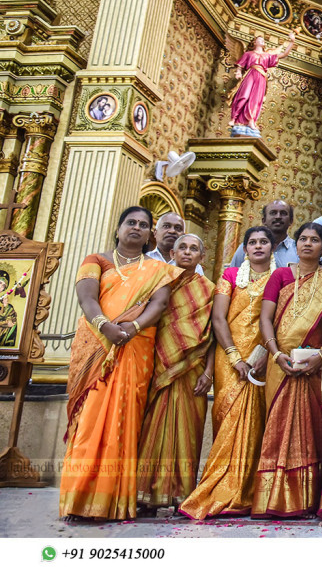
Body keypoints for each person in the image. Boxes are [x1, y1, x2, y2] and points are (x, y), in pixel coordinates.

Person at [60, 206, 178, 520]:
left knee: (125, 419)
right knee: (89, 422)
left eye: (143, 225)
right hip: (97, 345)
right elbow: (87, 298)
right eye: (131, 223)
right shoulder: (97, 260)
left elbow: (160, 303)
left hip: (136, 346)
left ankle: (113, 502)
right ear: (118, 228)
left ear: (150, 233)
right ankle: (79, 500)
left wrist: (133, 328)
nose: (136, 228)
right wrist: (106, 327)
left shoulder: (158, 269)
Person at [179, 227, 277, 520]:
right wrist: (235, 357)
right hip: (229, 356)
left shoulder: (281, 277)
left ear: (272, 248)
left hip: (262, 358)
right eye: (252, 242)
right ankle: (217, 488)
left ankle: (246, 492)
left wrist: (262, 355)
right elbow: (219, 318)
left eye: (264, 242)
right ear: (245, 249)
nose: (258, 246)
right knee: (228, 421)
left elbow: (277, 318)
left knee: (256, 423)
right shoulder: (231, 276)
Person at [253, 222, 322, 518]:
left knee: (312, 429)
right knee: (277, 427)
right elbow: (266, 318)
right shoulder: (281, 275)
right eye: (303, 239)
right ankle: (269, 499)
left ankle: (308, 498)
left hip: (315, 365)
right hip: (280, 364)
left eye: (315, 240)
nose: (308, 244)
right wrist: (275, 355)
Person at [137, 234, 216, 511]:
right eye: (182, 247)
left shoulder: (210, 289)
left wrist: (209, 373)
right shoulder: (159, 283)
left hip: (192, 371)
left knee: (188, 432)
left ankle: (182, 494)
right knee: (152, 429)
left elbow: (212, 335)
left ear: (202, 257)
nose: (187, 252)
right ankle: (145, 495)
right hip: (158, 366)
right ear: (172, 252)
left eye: (194, 248)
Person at [229, 31, 296, 134]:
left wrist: (292, 41)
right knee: (244, 96)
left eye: (263, 40)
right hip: (251, 74)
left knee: (255, 100)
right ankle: (234, 118)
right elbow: (240, 64)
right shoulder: (248, 54)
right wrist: (238, 72)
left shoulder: (267, 55)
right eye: (259, 39)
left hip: (261, 77)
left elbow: (284, 54)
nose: (262, 41)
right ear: (254, 43)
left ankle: (251, 120)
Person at [229, 200, 298, 268]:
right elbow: (232, 275)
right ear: (264, 220)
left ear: (291, 221)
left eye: (283, 213)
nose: (278, 217)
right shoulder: (247, 247)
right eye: (273, 213)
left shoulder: (297, 249)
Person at [147, 212, 204, 277]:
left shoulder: (195, 268)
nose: (172, 231)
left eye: (178, 228)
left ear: (183, 236)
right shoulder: (143, 260)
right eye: (166, 226)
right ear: (155, 233)